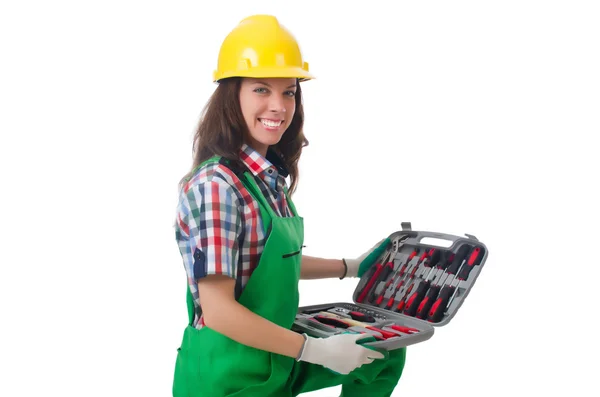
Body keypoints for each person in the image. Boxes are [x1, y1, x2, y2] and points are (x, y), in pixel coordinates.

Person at [172, 14, 407, 397]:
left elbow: (274, 265)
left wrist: (351, 268)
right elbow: (218, 311)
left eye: (289, 92)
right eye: (262, 89)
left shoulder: (266, 181)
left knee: (381, 357)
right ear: (232, 95)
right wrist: (315, 350)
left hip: (274, 357)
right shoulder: (216, 187)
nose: (279, 106)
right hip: (229, 375)